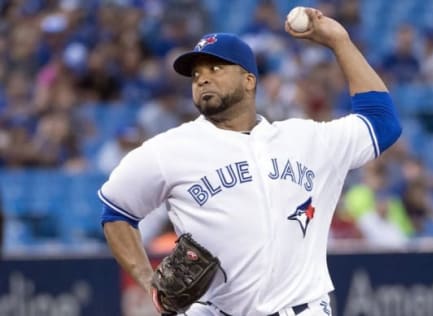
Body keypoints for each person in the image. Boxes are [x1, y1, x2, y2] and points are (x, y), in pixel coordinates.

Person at [99, 8, 401, 316]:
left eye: (215, 68)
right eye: (196, 74)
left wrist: (340, 42)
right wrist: (147, 279)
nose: (203, 78)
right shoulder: (169, 150)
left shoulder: (307, 139)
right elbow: (116, 211)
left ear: (249, 80)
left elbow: (382, 122)